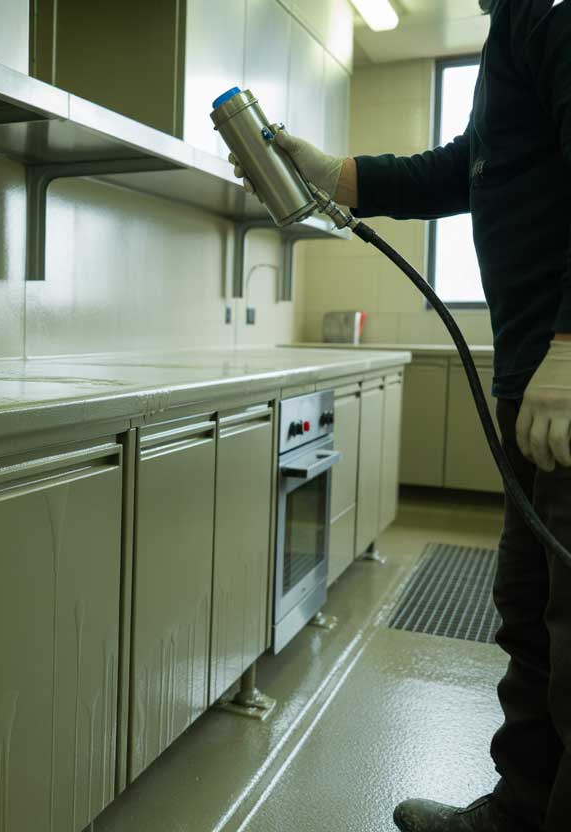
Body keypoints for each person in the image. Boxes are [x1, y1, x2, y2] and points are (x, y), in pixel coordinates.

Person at [232, 1, 569, 830]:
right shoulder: (512, 29)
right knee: (534, 625)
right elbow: (465, 169)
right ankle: (520, 813)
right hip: (535, 377)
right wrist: (332, 172)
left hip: (561, 374)